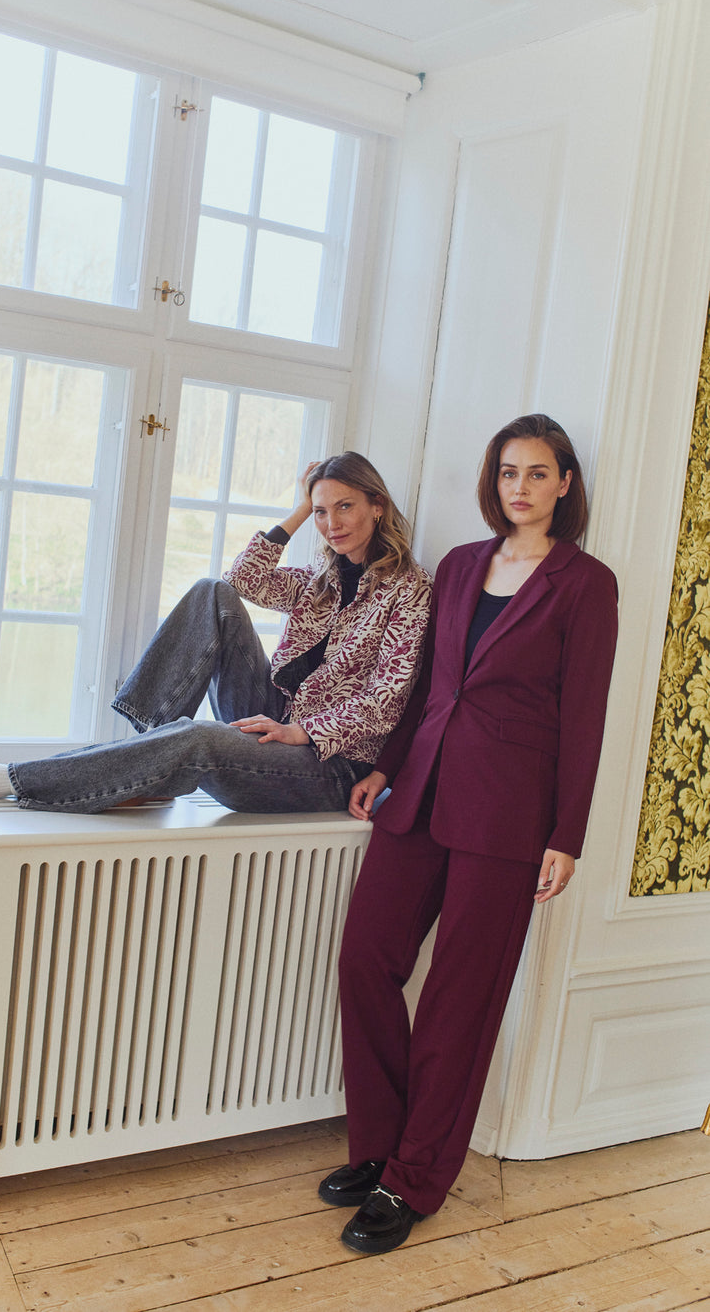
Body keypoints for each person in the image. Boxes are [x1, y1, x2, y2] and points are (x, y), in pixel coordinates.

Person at [318, 416, 618, 1256]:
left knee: (460, 1000)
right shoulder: (457, 566)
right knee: (366, 957)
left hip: (510, 817)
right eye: (508, 471)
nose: (520, 486)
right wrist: (387, 765)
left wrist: (567, 833)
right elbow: (428, 683)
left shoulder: (587, 584)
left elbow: (584, 716)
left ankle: (413, 1179)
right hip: (418, 794)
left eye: (538, 472)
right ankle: (379, 1146)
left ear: (565, 483)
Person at [0, 453, 431, 815]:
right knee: (213, 593)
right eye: (322, 510)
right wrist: (301, 508)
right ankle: (152, 756)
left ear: (377, 505)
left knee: (197, 738)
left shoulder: (409, 589)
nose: (331, 522)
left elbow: (385, 700)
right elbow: (242, 580)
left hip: (328, 762)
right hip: (275, 718)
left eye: (345, 506)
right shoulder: (322, 579)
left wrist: (304, 731)